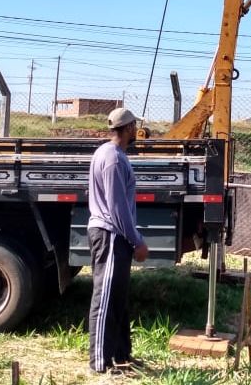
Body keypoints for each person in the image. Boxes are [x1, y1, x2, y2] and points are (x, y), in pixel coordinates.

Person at [88, 107, 149, 374]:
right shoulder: (112, 158)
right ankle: (99, 363)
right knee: (105, 300)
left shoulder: (112, 154)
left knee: (118, 299)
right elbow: (117, 207)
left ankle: (121, 356)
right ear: (126, 129)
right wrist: (136, 240)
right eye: (134, 126)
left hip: (115, 235)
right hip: (111, 234)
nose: (137, 131)